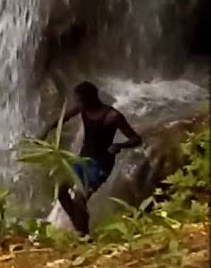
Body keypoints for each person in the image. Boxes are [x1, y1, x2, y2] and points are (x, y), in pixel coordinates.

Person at [38, 80, 143, 235]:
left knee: (80, 199)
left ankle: (84, 235)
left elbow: (136, 139)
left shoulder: (112, 116)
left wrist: (119, 145)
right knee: (61, 190)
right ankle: (79, 227)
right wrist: (45, 132)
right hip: (82, 160)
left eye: (80, 100)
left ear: (92, 98)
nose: (78, 103)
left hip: (100, 164)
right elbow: (62, 120)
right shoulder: (83, 108)